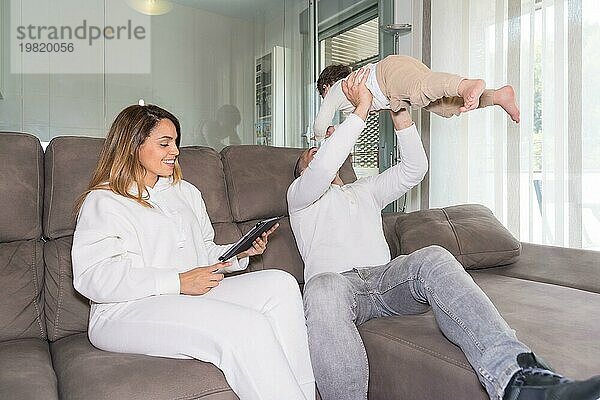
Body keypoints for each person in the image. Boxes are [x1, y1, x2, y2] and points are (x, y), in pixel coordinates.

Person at [288, 69, 600, 400]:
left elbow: (414, 170)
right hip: (340, 287)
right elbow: (322, 168)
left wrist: (399, 112)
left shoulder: (364, 189)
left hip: (386, 282)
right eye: (311, 155)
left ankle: (518, 380)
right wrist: (361, 108)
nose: (319, 154)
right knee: (320, 287)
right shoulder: (300, 198)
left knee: (433, 256)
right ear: (301, 172)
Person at [71, 104, 315, 400]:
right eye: (164, 143)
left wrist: (238, 254)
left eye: (175, 142)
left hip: (186, 294)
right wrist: (178, 282)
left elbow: (205, 254)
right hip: (122, 310)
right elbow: (93, 277)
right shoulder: (105, 200)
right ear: (133, 145)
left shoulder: (186, 192)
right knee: (246, 325)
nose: (174, 151)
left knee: (280, 284)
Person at [313, 55, 520, 141]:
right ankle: (498, 96)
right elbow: (356, 123)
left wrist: (320, 137)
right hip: (395, 77)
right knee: (444, 106)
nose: (326, 99)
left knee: (418, 90)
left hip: (386, 75)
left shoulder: (339, 88)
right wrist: (337, 131)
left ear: (326, 86)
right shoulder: (354, 99)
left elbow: (320, 122)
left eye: (324, 95)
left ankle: (466, 84)